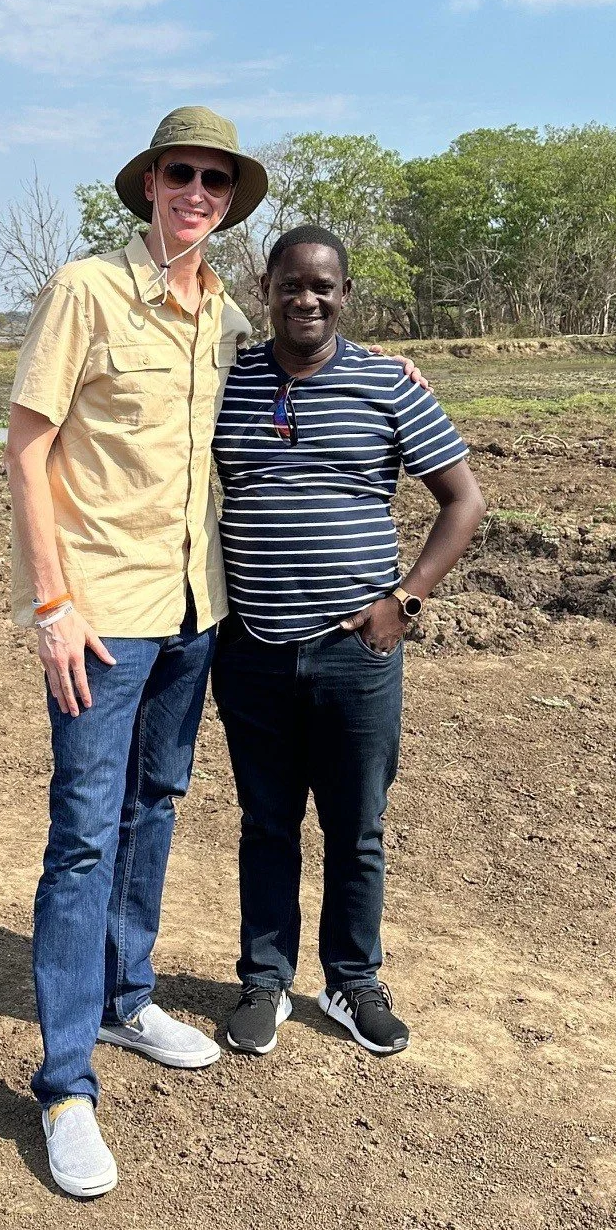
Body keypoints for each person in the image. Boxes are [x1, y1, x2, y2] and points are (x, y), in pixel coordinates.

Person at [4, 106, 266, 1199]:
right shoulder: (86, 291)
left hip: (193, 608)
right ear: (149, 184)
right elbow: (27, 447)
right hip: (101, 615)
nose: (196, 191)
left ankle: (125, 997)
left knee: (155, 803)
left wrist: (386, 381)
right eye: (180, 172)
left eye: (216, 178)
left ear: (230, 200)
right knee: (82, 836)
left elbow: (284, 398)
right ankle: (66, 1087)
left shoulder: (227, 319)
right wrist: (51, 602)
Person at [210, 223, 486, 1060]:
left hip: (354, 653)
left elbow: (464, 501)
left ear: (345, 295)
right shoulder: (225, 382)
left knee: (356, 828)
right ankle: (265, 980)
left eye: (322, 287)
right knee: (266, 822)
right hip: (251, 647)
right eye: (291, 284)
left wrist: (405, 599)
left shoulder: (387, 383)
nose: (307, 299)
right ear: (265, 290)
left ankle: (352, 981)